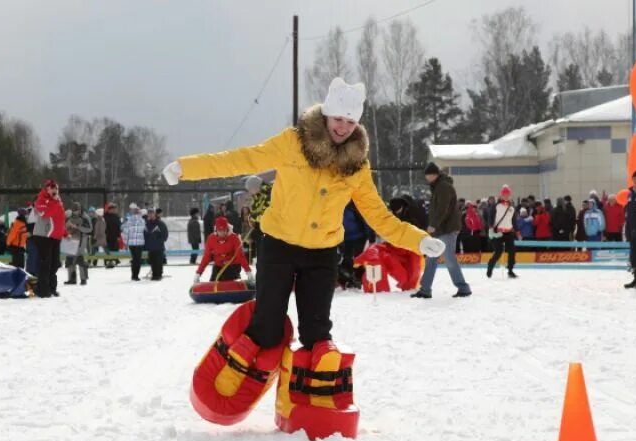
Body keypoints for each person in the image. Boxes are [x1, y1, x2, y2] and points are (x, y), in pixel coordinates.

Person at [164, 77, 443, 352]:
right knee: (268, 327)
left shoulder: (356, 166)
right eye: (338, 119)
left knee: (317, 333)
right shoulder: (293, 143)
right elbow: (242, 159)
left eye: (350, 122)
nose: (343, 127)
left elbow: (379, 216)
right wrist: (186, 168)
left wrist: (417, 241)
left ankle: (311, 389)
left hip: (321, 254)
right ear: (326, 114)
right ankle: (244, 372)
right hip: (279, 247)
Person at [411, 161, 471, 298]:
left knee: (449, 259)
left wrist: (434, 224)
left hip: (447, 228)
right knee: (431, 258)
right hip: (440, 229)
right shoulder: (438, 186)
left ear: (434, 175)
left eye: (428, 175)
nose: (427, 178)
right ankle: (425, 289)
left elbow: (442, 208)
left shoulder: (443, 186)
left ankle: (463, 288)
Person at [32, 179, 67, 298]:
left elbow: (60, 218)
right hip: (43, 235)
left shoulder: (57, 201)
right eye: (52, 188)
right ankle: (43, 290)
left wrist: (64, 232)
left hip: (55, 236)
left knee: (55, 264)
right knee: (45, 264)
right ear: (46, 189)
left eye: (56, 188)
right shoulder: (41, 199)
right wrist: (54, 201)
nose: (54, 190)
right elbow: (45, 213)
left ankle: (52, 288)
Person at [194, 216, 252, 283]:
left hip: (232, 265)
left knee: (227, 281)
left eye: (224, 230)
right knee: (214, 282)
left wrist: (248, 272)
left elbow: (240, 256)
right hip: (218, 266)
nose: (222, 233)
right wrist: (198, 273)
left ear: (227, 229)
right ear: (216, 230)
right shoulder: (211, 239)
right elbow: (206, 257)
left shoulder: (234, 238)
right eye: (220, 231)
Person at [486, 185, 518, 278]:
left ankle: (510, 270)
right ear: (501, 195)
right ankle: (490, 267)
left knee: (512, 251)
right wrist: (491, 228)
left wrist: (517, 231)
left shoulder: (512, 207)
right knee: (498, 252)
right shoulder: (496, 206)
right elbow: (490, 217)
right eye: (504, 194)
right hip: (498, 232)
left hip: (509, 232)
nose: (506, 196)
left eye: (508, 194)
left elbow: (513, 220)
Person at [64, 202, 92, 286]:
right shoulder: (69, 217)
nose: (75, 212)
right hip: (71, 239)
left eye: (77, 210)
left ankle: (83, 279)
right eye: (74, 210)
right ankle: (71, 279)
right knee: (69, 260)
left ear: (80, 210)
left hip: (81, 240)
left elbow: (89, 229)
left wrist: (78, 227)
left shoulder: (85, 217)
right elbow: (64, 227)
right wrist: (69, 228)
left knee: (80, 259)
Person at [246, 174, 272, 262]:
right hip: (260, 230)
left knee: (265, 258)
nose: (249, 192)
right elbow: (256, 211)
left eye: (249, 189)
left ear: (255, 187)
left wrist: (253, 217)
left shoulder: (268, 195)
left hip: (268, 232)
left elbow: (267, 214)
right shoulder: (257, 196)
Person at [122, 203, 146, 281]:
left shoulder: (129, 221)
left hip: (131, 244)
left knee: (134, 259)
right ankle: (135, 275)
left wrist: (126, 243)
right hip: (139, 243)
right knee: (137, 260)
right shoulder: (143, 221)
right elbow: (146, 232)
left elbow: (125, 233)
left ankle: (133, 275)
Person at [144, 208, 169, 280]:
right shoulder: (146, 224)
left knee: (158, 261)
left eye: (152, 213)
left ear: (154, 214)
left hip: (159, 247)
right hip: (150, 247)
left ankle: (159, 275)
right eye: (149, 213)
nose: (150, 215)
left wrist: (160, 241)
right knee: (152, 261)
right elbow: (145, 234)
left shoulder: (160, 223)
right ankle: (154, 274)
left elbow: (165, 234)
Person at [103, 202, 122, 268]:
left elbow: (119, 227)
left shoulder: (116, 217)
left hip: (114, 236)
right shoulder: (105, 217)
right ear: (109, 209)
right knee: (108, 249)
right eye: (112, 209)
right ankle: (107, 261)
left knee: (115, 248)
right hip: (107, 236)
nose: (113, 210)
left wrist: (118, 236)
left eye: (114, 209)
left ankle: (115, 260)